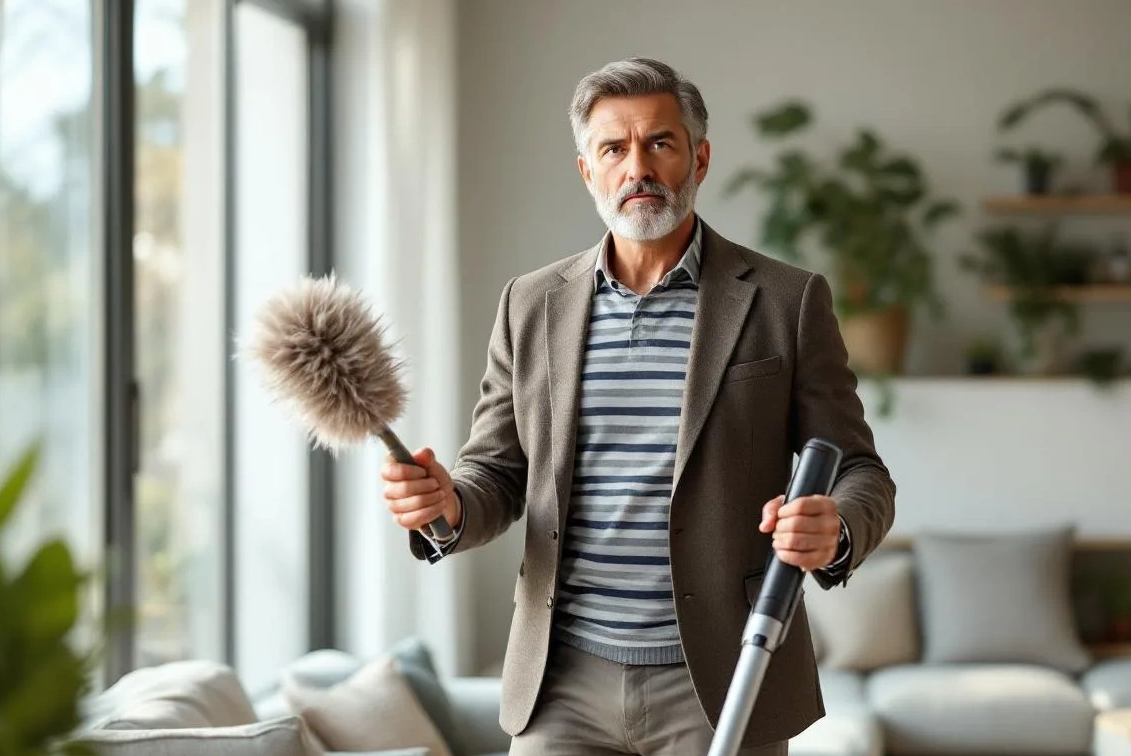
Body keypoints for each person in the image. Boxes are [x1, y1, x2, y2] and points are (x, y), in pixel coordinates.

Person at [381, 57, 895, 756]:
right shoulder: (530, 304)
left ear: (700, 158)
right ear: (587, 170)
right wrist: (446, 508)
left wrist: (835, 527)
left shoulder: (786, 301)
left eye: (660, 143)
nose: (638, 168)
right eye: (614, 149)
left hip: (719, 682)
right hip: (559, 685)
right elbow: (497, 476)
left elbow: (862, 472)